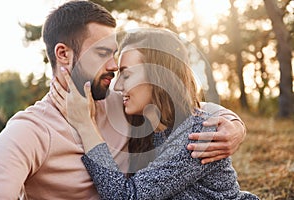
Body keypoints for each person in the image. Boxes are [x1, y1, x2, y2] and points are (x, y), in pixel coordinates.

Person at [0, 1, 245, 199]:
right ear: (63, 54)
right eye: (103, 53)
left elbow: (188, 110)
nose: (114, 68)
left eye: (116, 56)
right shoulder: (29, 131)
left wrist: (232, 125)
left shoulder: (122, 105)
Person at [51, 29, 259, 199]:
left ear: (158, 76)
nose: (118, 85)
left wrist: (85, 125)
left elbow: (127, 197)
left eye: (127, 74)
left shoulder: (196, 135)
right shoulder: (147, 127)